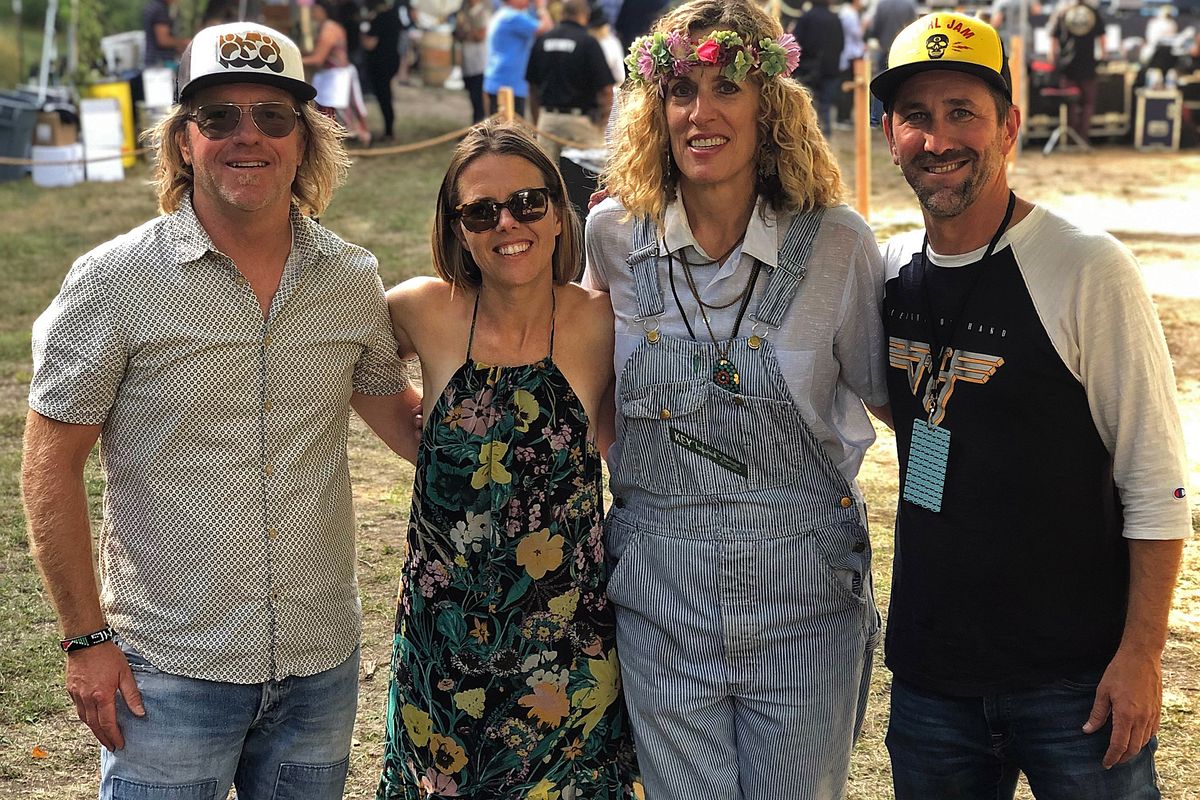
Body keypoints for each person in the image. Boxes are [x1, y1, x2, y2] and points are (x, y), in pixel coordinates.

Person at [22, 21, 420, 800]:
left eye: (274, 116)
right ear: (182, 141)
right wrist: (85, 639)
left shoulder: (350, 279)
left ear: (304, 141)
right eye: (219, 117)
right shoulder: (113, 283)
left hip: (319, 664)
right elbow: (50, 465)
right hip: (169, 672)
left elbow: (404, 423)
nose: (249, 136)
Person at [870, 12, 1190, 798]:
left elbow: (1157, 479)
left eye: (962, 113)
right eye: (916, 116)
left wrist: (1141, 655)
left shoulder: (1085, 268)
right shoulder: (887, 273)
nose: (938, 139)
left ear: (1009, 126)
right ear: (889, 133)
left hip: (1075, 683)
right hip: (931, 678)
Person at [585, 1, 888, 797]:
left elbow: (908, 414)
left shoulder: (837, 243)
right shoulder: (613, 236)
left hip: (805, 589)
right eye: (681, 90)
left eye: (727, 87)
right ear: (656, 107)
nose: (701, 112)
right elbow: (585, 396)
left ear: (772, 104)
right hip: (660, 586)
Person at [375, 119, 638, 799]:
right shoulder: (422, 310)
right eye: (481, 211)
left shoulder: (603, 323)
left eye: (527, 202)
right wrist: (436, 449)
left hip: (565, 660)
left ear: (557, 212)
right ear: (457, 228)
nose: (507, 224)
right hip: (442, 654)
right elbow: (339, 359)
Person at [526, 0, 615, 163]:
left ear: (562, 14)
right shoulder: (588, 43)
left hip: (548, 120)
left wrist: (537, 120)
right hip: (580, 122)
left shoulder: (543, 40)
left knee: (546, 177)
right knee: (587, 177)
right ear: (585, 15)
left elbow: (532, 86)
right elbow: (606, 89)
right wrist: (603, 122)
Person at [304, 0, 372, 146]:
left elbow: (318, 59)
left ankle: (351, 139)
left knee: (334, 111)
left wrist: (296, 59)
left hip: (336, 77)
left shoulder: (329, 29)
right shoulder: (328, 27)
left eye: (315, 9)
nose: (313, 13)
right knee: (334, 111)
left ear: (322, 10)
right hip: (333, 75)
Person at [484, 0, 553, 120]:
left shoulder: (504, 14)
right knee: (510, 133)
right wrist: (541, 7)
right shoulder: (513, 17)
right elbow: (547, 28)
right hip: (509, 84)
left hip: (500, 81)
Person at [1047, 0, 1105, 142]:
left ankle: (1070, 138)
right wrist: (1103, 56)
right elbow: (1102, 38)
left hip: (1067, 66)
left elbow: (1053, 40)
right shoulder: (1093, 12)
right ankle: (1082, 137)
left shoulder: (1062, 12)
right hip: (1088, 64)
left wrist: (1053, 61)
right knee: (1088, 103)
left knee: (1070, 102)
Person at [790, 0, 844, 134]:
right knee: (826, 105)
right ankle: (826, 135)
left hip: (808, 68)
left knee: (809, 104)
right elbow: (841, 43)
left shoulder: (806, 17)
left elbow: (796, 43)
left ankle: (810, 134)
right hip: (830, 68)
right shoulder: (835, 18)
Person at [865, 0, 918, 123]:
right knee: (904, 84)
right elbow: (915, 28)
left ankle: (875, 119)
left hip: (884, 48)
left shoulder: (882, 4)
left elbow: (875, 28)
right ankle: (900, 118)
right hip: (905, 50)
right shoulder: (909, 4)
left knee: (881, 82)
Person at [363, 1, 402, 142]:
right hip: (391, 60)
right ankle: (389, 129)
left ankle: (389, 131)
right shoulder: (393, 14)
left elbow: (370, 43)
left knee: (384, 96)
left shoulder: (379, 18)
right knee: (386, 95)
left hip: (381, 63)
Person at [455, 0, 493, 123]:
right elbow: (459, 34)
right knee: (473, 98)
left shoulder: (483, 10)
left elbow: (480, 36)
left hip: (480, 62)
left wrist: (465, 28)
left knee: (479, 100)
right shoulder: (465, 9)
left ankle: (480, 129)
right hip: (468, 62)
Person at [143, 0, 188, 67]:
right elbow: (163, 40)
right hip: (160, 64)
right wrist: (183, 43)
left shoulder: (154, 6)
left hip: (153, 62)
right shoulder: (159, 9)